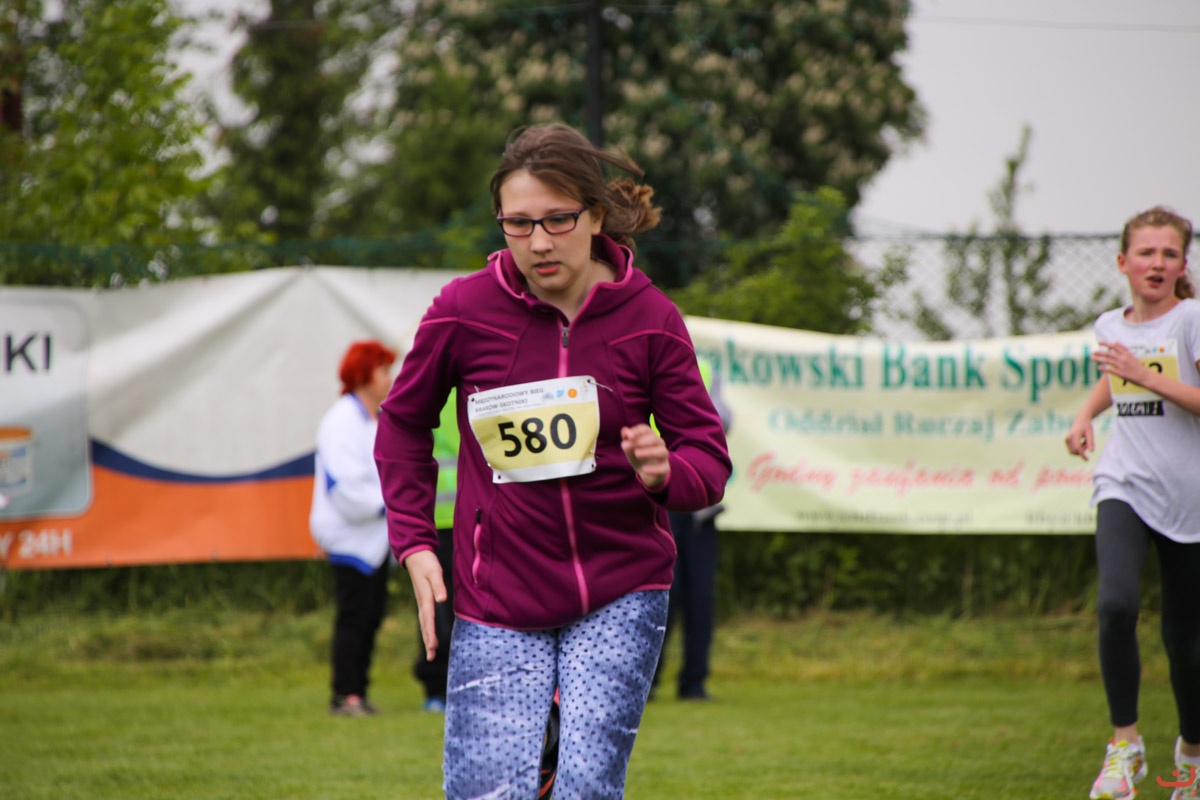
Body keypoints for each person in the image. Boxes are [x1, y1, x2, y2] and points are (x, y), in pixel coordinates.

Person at [375, 122, 731, 799]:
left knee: (585, 788)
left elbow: (707, 460)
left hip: (622, 589)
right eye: (518, 223)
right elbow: (402, 423)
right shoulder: (462, 310)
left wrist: (666, 475)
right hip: (498, 595)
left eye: (557, 219)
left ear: (594, 216)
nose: (538, 242)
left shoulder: (652, 318)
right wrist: (415, 543)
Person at [1065, 205, 1200, 800]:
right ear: (1123, 262)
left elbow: (1154, 381)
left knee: (1186, 643)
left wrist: (1144, 375)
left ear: (1182, 265)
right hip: (1124, 483)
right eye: (1146, 252)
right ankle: (1125, 747)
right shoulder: (1109, 324)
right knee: (1116, 605)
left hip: (1189, 496)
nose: (1157, 263)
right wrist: (1083, 416)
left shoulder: (1191, 320)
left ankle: (1191, 756)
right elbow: (1113, 376)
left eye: (1169, 253)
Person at [309, 339, 397, 717]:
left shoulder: (371, 419)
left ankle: (356, 692)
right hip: (350, 535)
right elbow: (343, 485)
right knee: (354, 617)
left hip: (372, 535)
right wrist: (388, 505)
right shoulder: (342, 419)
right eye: (384, 370)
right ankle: (344, 696)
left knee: (369, 616)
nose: (390, 379)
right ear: (363, 375)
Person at [653, 355, 732, 701]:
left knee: (701, 597)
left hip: (698, 506)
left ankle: (694, 682)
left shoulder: (705, 368)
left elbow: (722, 421)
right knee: (661, 593)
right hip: (655, 497)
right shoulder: (636, 357)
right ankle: (649, 680)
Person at [413, 393, 457, 713]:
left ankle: (441, 687)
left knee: (443, 605)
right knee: (438, 604)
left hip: (463, 516)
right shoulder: (442, 388)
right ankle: (437, 687)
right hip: (440, 520)